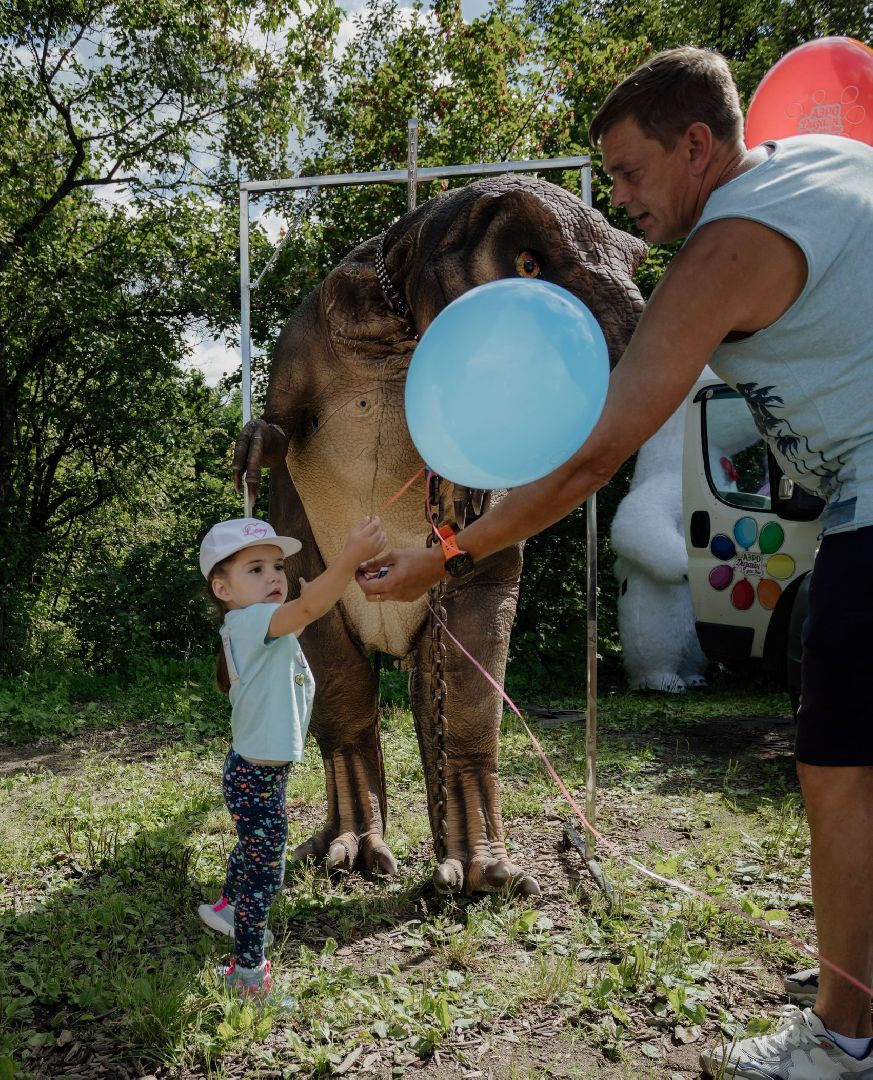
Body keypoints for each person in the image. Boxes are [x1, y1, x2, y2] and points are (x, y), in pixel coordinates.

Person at [356, 46, 873, 1080]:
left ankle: (845, 1036)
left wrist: (444, 552)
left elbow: (594, 453)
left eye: (631, 173)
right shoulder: (818, 159)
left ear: (698, 144)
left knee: (841, 773)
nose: (619, 199)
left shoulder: (729, 245)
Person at [199, 514, 386, 996]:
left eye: (276, 566)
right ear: (223, 589)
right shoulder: (251, 621)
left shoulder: (254, 624)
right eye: (255, 569)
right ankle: (247, 975)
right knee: (267, 870)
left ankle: (225, 907)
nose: (273, 576)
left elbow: (304, 611)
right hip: (255, 779)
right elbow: (308, 611)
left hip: (254, 773)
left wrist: (309, 594)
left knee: (252, 848)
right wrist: (348, 559)